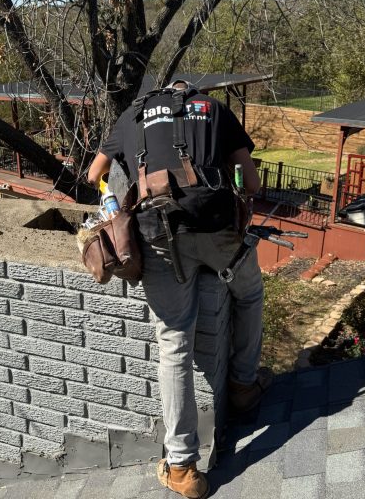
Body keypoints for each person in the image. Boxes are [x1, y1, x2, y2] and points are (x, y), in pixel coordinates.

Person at [87, 80, 268, 499]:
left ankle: (183, 467)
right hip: (217, 231)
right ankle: (242, 387)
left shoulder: (131, 115)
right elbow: (252, 183)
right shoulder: (216, 110)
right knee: (250, 293)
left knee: (174, 344)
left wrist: (112, 198)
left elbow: (94, 174)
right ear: (192, 93)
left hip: (157, 236)